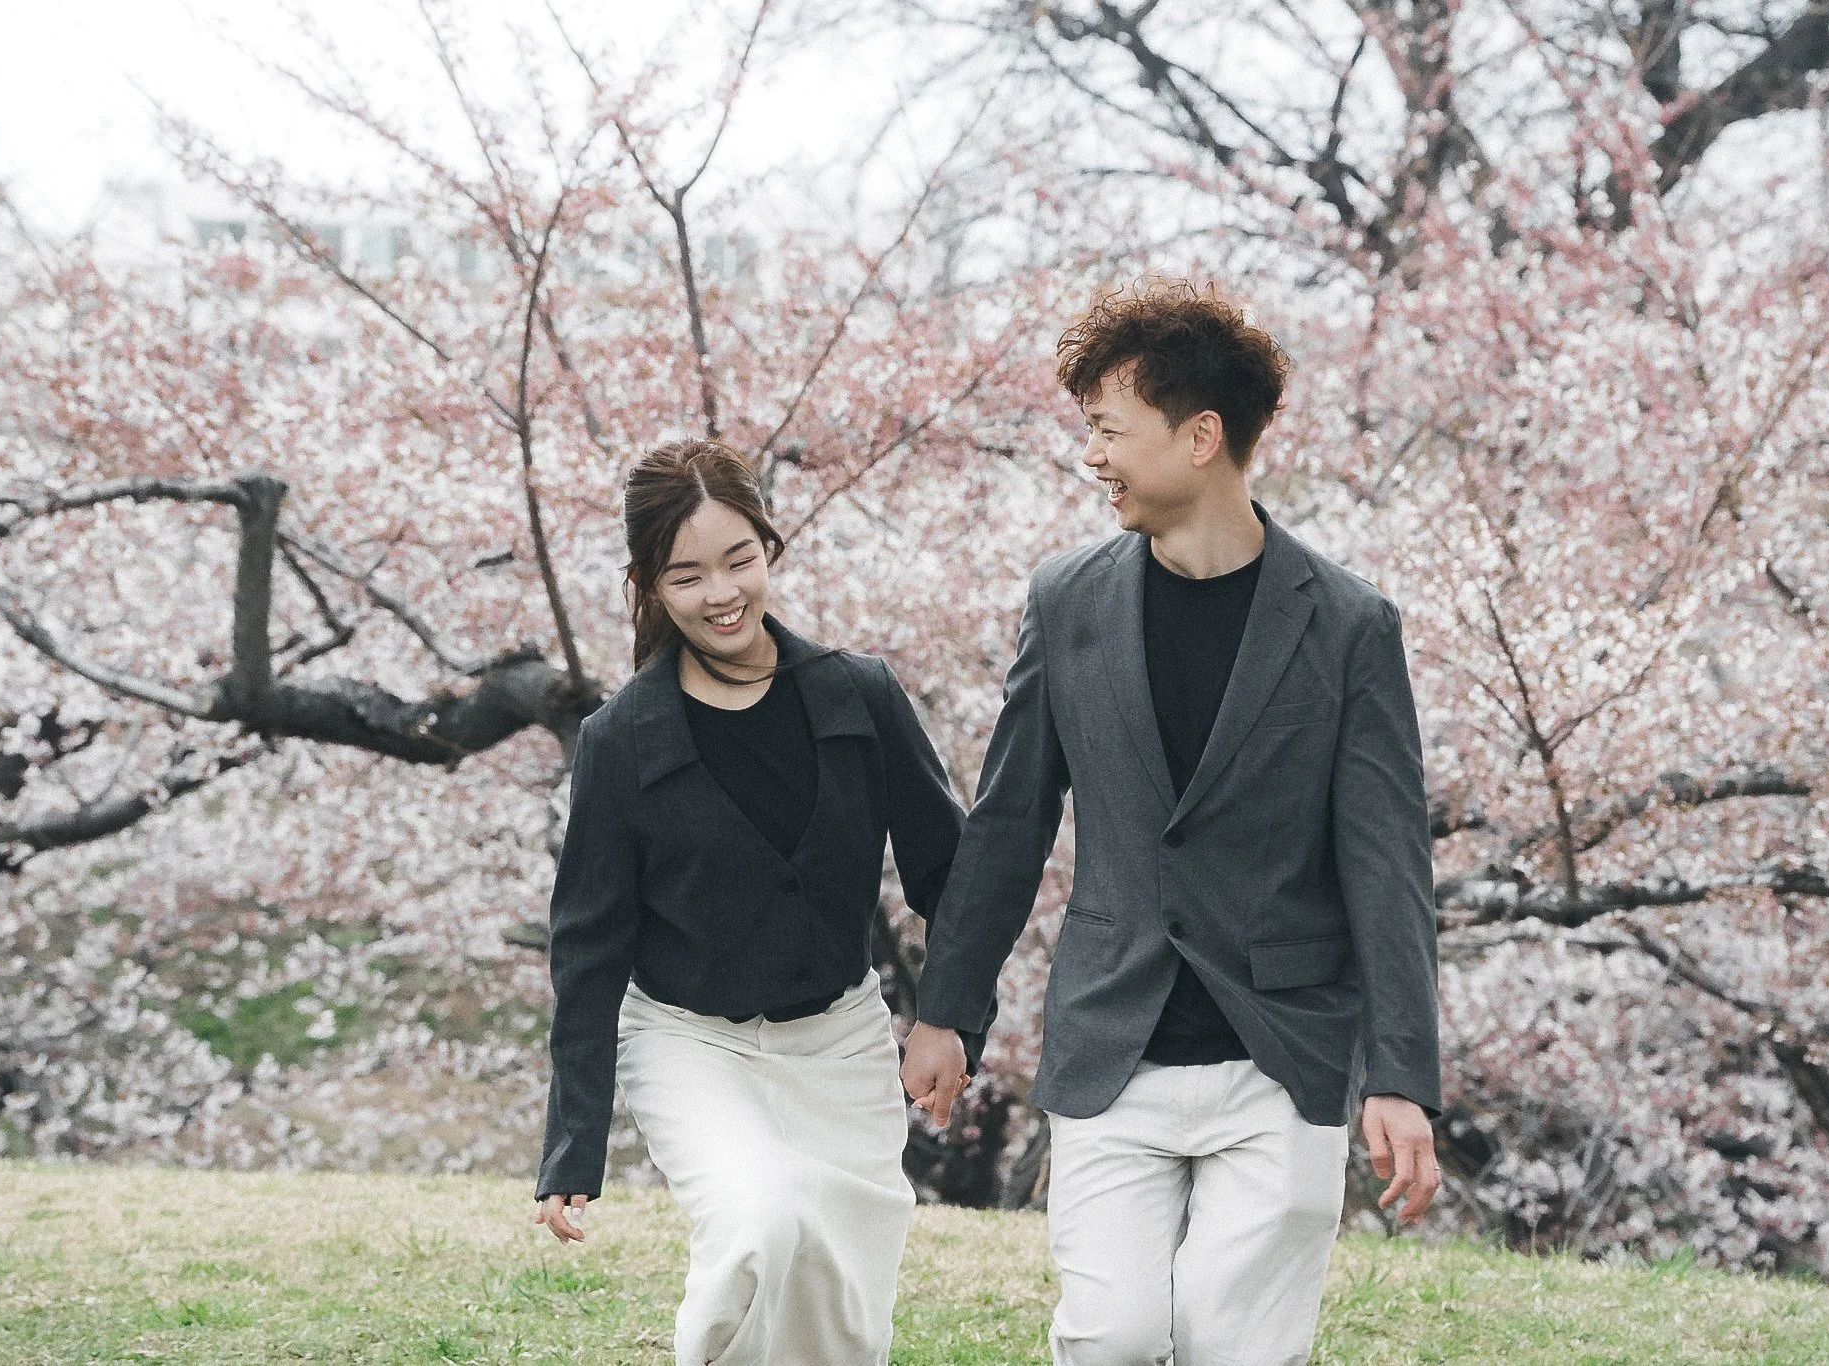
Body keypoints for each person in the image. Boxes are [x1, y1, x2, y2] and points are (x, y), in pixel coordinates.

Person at [901, 280, 1444, 1365]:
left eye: (1108, 430)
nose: (1090, 456)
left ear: (1200, 437)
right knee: (1109, 1337)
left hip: (1282, 1054)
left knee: (1231, 1345)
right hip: (1113, 1038)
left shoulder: (1349, 626)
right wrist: (947, 1008)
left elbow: (1387, 866)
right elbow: (1009, 822)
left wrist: (1399, 1075)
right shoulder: (1066, 601)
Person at [533, 438, 979, 1366]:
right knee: (757, 1227)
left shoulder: (860, 696)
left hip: (842, 1041)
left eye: (739, 559)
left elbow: (951, 875)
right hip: (690, 1043)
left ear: (769, 547)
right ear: (649, 586)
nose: (722, 593)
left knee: (840, 1307)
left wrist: (949, 1018)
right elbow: (588, 949)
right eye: (687, 575)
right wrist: (574, 1142)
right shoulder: (621, 741)